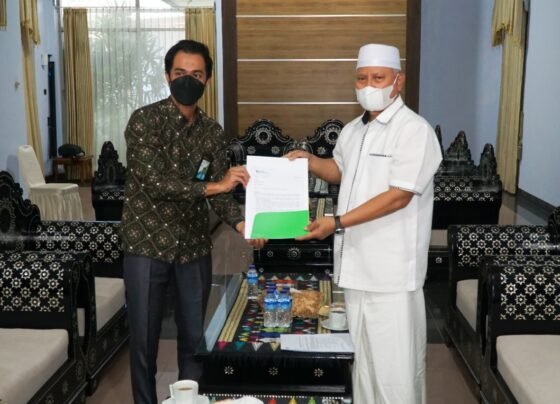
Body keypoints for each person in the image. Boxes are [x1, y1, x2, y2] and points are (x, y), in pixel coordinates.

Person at [285, 44, 442, 403]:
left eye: (378, 77)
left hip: (392, 275)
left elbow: (399, 195)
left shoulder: (413, 131)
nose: (369, 85)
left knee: (397, 372)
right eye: (362, 78)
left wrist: (337, 222)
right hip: (356, 267)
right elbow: (341, 171)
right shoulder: (353, 130)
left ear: (398, 81)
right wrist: (310, 161)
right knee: (365, 366)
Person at [120, 39, 264, 404]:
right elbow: (155, 183)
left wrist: (244, 225)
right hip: (147, 245)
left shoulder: (212, 131)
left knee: (194, 341)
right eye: (180, 73)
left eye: (196, 74)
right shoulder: (145, 121)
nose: (188, 80)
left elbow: (221, 193)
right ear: (167, 76)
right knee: (144, 343)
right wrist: (218, 185)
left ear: (207, 80)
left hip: (194, 247)